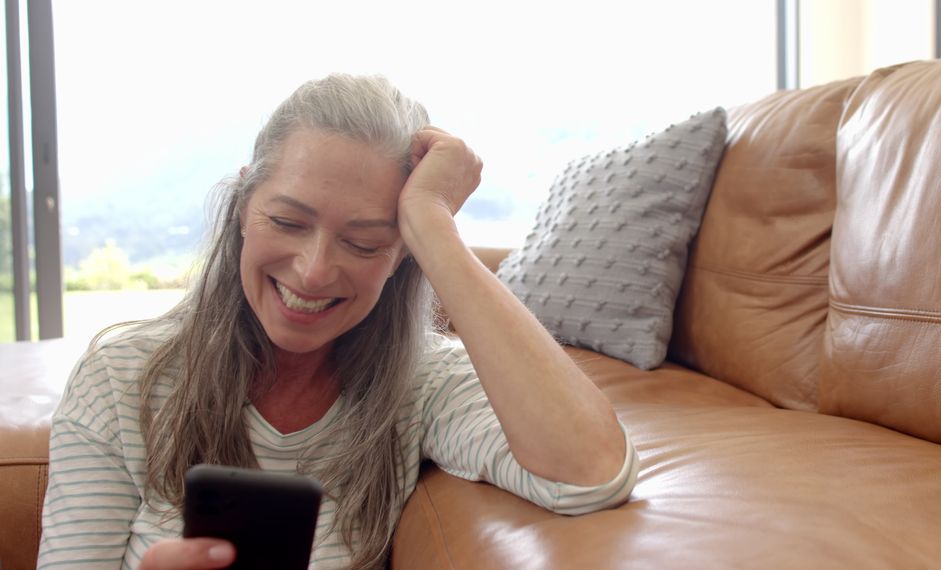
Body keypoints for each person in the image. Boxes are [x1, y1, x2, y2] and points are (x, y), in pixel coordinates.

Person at [37, 74, 639, 570]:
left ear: (401, 254)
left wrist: (432, 223)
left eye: (363, 242)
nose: (314, 271)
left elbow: (588, 474)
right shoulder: (122, 377)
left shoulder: (425, 383)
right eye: (289, 222)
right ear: (244, 206)